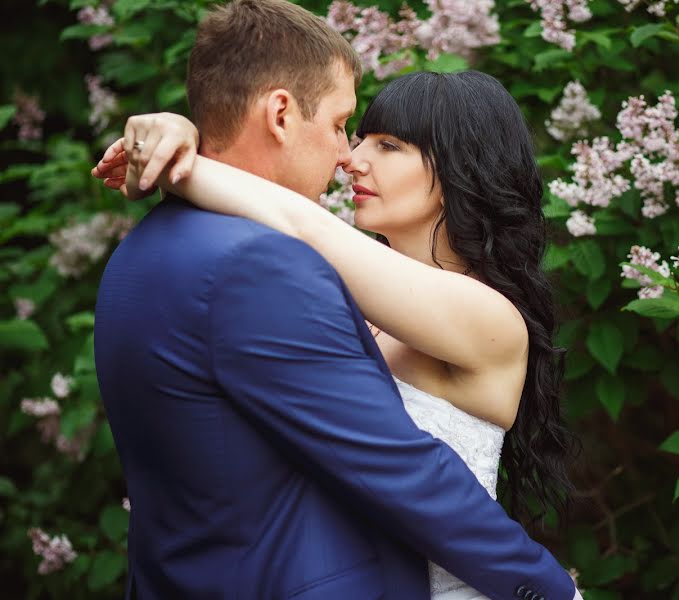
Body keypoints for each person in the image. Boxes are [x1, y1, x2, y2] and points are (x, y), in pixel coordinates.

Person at [91, 1, 581, 599]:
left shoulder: (489, 316)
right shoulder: (307, 282)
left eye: (389, 144)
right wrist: (184, 136)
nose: (352, 157)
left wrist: (185, 163)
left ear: (458, 170)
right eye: (352, 129)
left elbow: (302, 227)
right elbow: (288, 226)